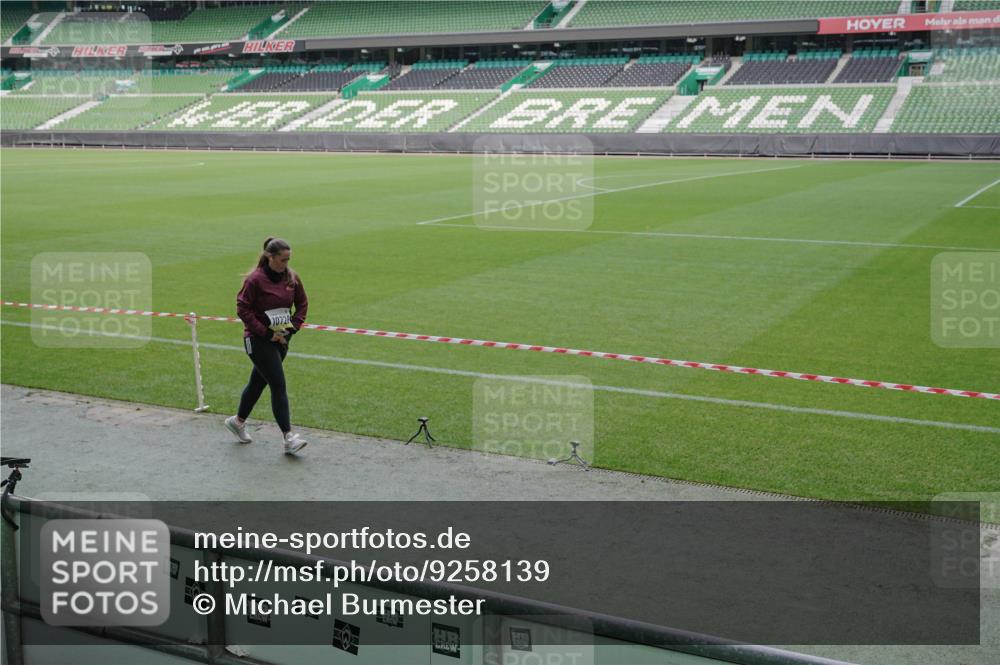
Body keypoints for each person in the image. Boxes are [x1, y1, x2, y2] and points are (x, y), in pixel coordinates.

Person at [225, 237, 309, 455]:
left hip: (281, 340)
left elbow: (302, 304)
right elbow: (243, 309)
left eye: (288, 260)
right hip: (257, 340)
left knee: (257, 383)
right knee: (278, 384)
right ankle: (288, 437)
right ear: (269, 257)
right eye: (282, 260)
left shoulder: (291, 277)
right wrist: (266, 333)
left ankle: (238, 421)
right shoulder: (255, 280)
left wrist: (292, 329)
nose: (286, 264)